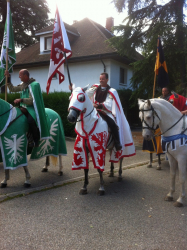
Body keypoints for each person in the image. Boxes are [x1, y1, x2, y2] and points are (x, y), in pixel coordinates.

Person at [70, 73, 122, 151]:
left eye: (103, 79)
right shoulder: (95, 88)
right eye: (100, 79)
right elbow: (85, 93)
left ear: (107, 80)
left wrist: (99, 105)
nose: (101, 80)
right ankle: (83, 140)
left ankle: (117, 143)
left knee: (112, 123)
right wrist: (74, 90)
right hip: (94, 110)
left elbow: (109, 104)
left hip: (105, 111)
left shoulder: (111, 91)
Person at [4, 69, 50, 147]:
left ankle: (35, 140)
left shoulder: (34, 85)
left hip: (31, 108)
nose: (19, 76)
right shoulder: (23, 84)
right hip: (22, 107)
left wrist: (21, 100)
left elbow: (32, 100)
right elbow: (12, 89)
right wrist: (8, 77)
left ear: (25, 76)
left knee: (31, 120)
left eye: (20, 75)